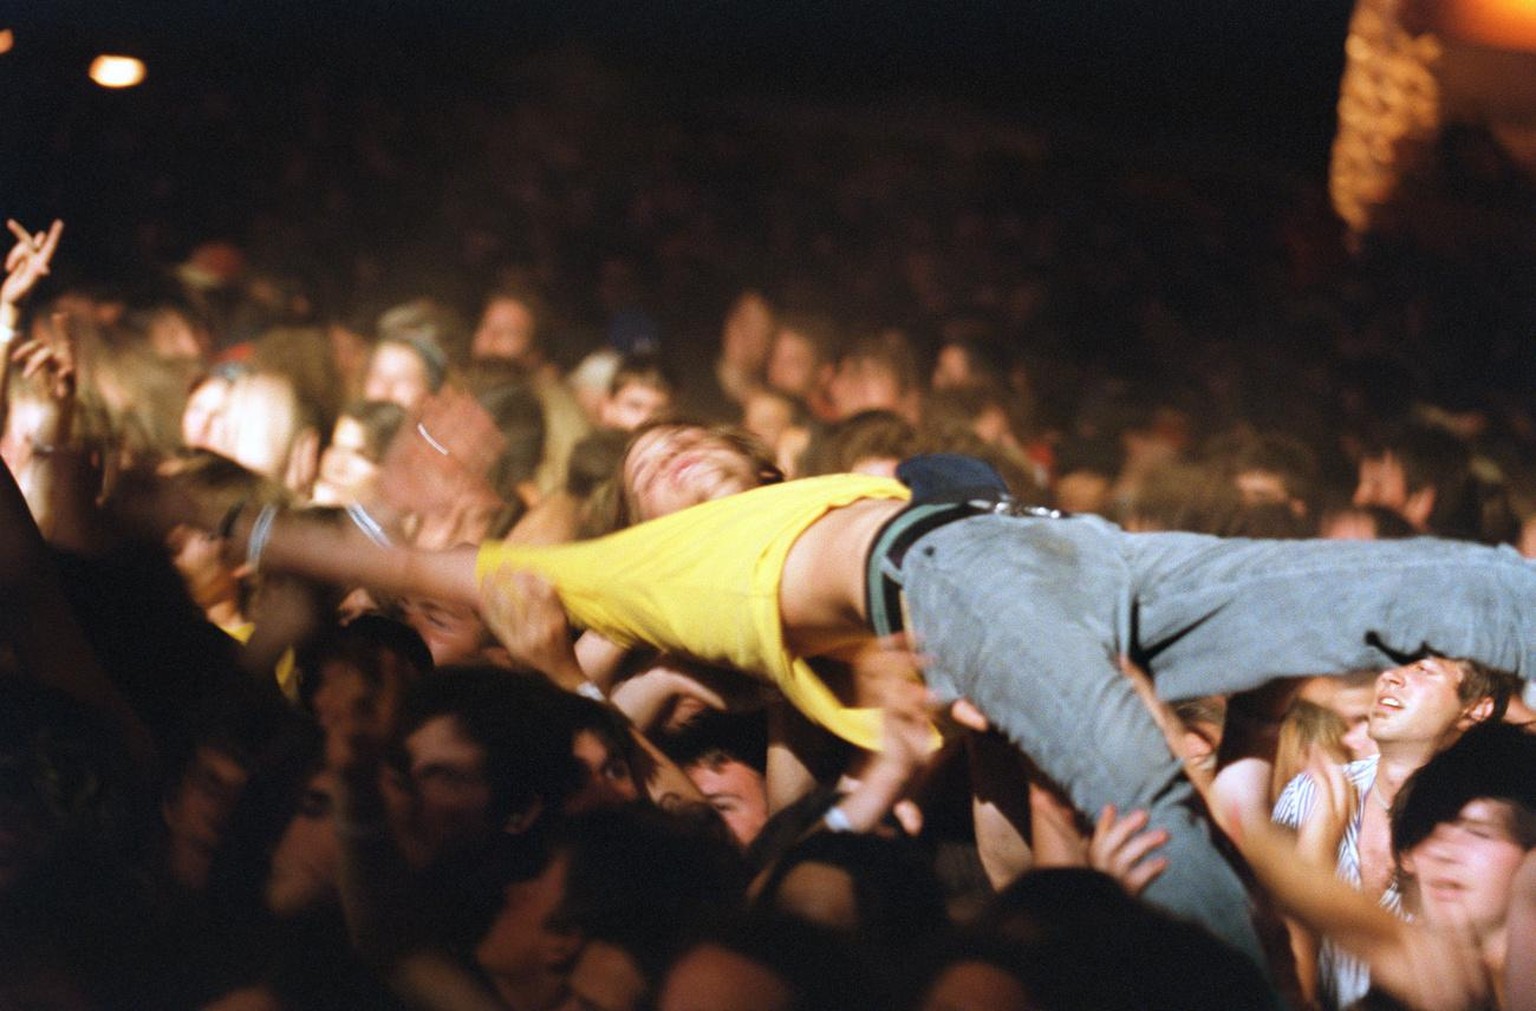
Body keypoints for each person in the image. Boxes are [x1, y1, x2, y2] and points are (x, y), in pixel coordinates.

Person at [186, 446, 1536, 967]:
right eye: (653, 462)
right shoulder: (609, 572)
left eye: (694, 446)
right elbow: (383, 553)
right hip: (953, 583)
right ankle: (1350, 969)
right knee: (1161, 820)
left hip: (1074, 547)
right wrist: (262, 548)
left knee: (1445, 580)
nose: (675, 459)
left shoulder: (849, 477)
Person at [1271, 655, 1521, 1009]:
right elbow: (1267, 941)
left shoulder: (1481, 832)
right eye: (1392, 664)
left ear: (1476, 710)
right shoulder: (1311, 791)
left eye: (1422, 669)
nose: (1391, 676)